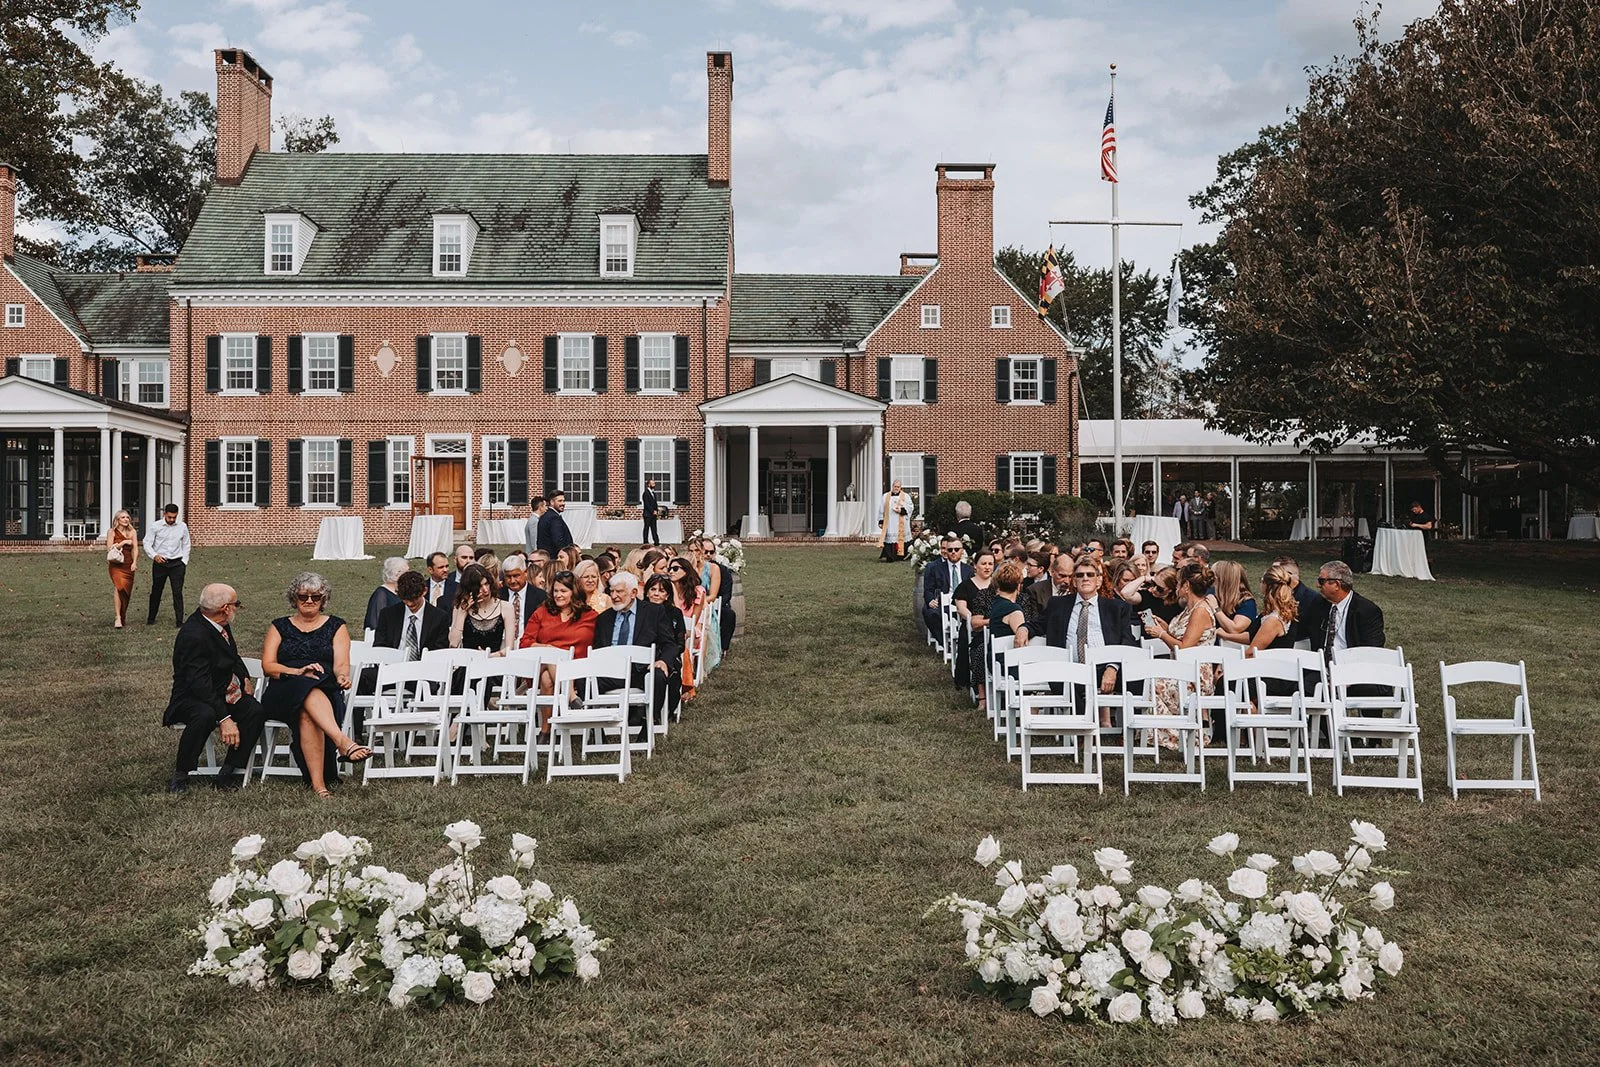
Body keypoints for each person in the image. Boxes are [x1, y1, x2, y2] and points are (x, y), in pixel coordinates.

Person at [260, 572, 369, 798]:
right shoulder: (279, 626)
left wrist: (342, 677)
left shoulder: (336, 626)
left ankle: (319, 787)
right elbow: (268, 666)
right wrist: (297, 671)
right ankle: (341, 741)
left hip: (325, 687)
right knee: (305, 686)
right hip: (285, 687)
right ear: (294, 598)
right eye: (303, 596)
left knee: (308, 707)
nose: (309, 601)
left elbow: (340, 664)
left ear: (323, 599)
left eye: (315, 597)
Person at [163, 583, 265, 792]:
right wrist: (225, 719)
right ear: (225, 608)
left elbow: (232, 655)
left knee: (254, 710)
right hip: (191, 696)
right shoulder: (194, 635)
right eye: (236, 604)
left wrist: (244, 677)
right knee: (205, 715)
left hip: (221, 691)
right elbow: (199, 683)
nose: (238, 608)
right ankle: (181, 774)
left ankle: (229, 771)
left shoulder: (219, 622)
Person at [1045, 554, 1139, 723]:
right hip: (1070, 668)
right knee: (1067, 681)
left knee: (1137, 679)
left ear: (1099, 581)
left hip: (1104, 668)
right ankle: (1083, 728)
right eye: (1080, 575)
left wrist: (1112, 667)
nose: (1085, 578)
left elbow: (1127, 641)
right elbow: (1039, 623)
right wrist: (1024, 628)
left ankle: (1129, 730)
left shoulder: (1116, 608)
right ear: (1074, 582)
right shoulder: (1058, 604)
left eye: (1090, 574)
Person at [1143, 561, 1218, 748]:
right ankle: (1165, 734)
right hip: (1181, 670)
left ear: (1186, 586)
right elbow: (1184, 636)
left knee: (1155, 685)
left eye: (1178, 583)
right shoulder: (1190, 608)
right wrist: (1165, 627)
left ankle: (1177, 738)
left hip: (1194, 674)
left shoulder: (1200, 610)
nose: (1176, 587)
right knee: (1150, 680)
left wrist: (1161, 635)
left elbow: (1185, 648)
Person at [591, 572, 681, 728]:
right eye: (611, 591)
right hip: (609, 672)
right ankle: (597, 729)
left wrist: (663, 661)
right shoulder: (604, 618)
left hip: (640, 671)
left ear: (633, 593)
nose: (614, 596)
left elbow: (669, 643)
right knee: (584, 680)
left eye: (619, 591)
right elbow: (598, 648)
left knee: (658, 677)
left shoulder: (654, 612)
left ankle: (648, 723)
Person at [517, 570, 597, 726]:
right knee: (551, 656)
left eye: (563, 591)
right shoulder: (542, 613)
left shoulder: (589, 616)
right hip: (541, 665)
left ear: (574, 592)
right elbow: (525, 642)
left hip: (577, 670)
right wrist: (546, 647)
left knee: (547, 679)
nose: (558, 595)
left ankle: (547, 730)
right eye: (555, 591)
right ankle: (571, 697)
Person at [953, 551, 996, 708]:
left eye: (990, 564)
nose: (987, 567)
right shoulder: (966, 585)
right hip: (973, 626)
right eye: (983, 563)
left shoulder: (997, 585)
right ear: (975, 566)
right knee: (971, 641)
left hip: (995, 627)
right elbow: (961, 607)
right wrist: (972, 617)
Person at [449, 563, 516, 656]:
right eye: (479, 587)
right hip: (469, 663)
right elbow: (453, 643)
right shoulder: (461, 608)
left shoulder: (506, 607)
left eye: (486, 584)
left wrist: (490, 656)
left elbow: (509, 648)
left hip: (496, 662)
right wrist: (462, 613)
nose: (485, 590)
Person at [144, 503, 191, 627]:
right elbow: (147, 543)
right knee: (156, 591)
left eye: (174, 517)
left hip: (177, 563)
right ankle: (151, 618)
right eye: (169, 517)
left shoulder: (182, 527)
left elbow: (186, 544)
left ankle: (179, 622)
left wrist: (184, 561)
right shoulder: (155, 526)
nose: (172, 519)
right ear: (164, 514)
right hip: (160, 563)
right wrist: (154, 555)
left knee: (177, 592)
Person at [923, 535, 972, 642]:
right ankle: (946, 643)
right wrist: (930, 600)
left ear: (962, 551)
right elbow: (928, 589)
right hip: (943, 604)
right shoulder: (936, 569)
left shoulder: (969, 570)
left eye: (956, 549)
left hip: (965, 604)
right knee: (929, 612)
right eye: (950, 550)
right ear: (946, 551)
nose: (953, 552)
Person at [104, 509, 139, 628]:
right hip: (116, 564)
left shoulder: (132, 532)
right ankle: (117, 617)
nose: (126, 519)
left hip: (128, 564)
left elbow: (135, 549)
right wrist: (123, 542)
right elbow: (109, 548)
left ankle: (123, 615)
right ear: (117, 520)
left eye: (127, 517)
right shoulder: (112, 531)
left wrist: (134, 562)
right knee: (119, 587)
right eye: (123, 517)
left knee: (126, 592)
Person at [1210, 559, 1258, 646]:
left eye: (1213, 576)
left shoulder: (1247, 602)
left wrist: (1216, 608)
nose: (1210, 579)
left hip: (1233, 650)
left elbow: (1235, 629)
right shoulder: (1213, 594)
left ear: (1223, 579)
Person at [986, 561, 1030, 646]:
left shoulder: (996, 603)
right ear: (1018, 586)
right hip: (1008, 657)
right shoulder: (1014, 610)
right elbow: (1022, 641)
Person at [499, 553, 546, 633]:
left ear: (526, 572)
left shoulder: (541, 597)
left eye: (516, 576)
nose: (512, 581)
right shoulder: (497, 596)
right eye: (508, 577)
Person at [363, 556, 409, 635]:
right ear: (397, 574)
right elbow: (375, 623)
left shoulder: (403, 591)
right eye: (407, 572)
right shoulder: (381, 594)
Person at [876, 479, 914, 561]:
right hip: (890, 522)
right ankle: (890, 556)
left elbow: (910, 507)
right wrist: (881, 521)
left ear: (900, 487)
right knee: (890, 539)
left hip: (901, 521)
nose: (896, 488)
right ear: (892, 486)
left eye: (898, 486)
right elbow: (881, 509)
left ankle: (902, 556)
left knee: (902, 538)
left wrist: (901, 510)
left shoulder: (906, 496)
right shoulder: (886, 496)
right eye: (895, 486)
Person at [537, 489, 575, 556]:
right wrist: (567, 555)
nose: (563, 504)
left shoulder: (545, 516)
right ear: (552, 502)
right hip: (555, 558)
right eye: (560, 501)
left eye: (563, 501)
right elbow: (558, 540)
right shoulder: (554, 518)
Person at [439, 543, 474, 608]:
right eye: (464, 557)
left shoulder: (480, 580)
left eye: (471, 558)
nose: (468, 561)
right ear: (455, 560)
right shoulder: (447, 579)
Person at [642, 477, 662, 546]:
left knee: (654, 529)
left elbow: (655, 504)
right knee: (646, 528)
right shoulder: (646, 493)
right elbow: (647, 504)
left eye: (654, 483)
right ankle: (645, 542)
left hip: (653, 514)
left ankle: (656, 542)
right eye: (652, 484)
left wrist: (656, 510)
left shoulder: (653, 493)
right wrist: (652, 511)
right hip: (647, 514)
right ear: (648, 485)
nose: (654, 485)